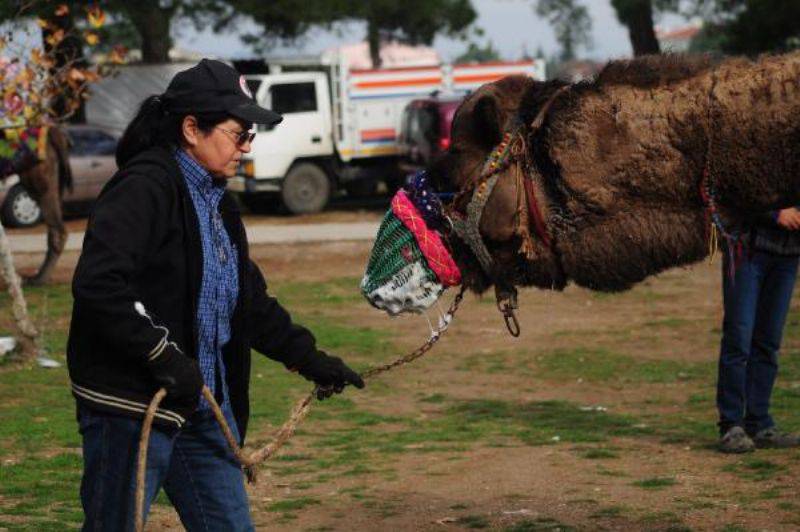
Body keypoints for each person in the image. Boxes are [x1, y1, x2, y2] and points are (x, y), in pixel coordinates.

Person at [67, 59, 365, 531]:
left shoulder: (219, 204)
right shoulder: (143, 187)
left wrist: (310, 359)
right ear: (191, 128)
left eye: (251, 137)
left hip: (204, 407)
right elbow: (98, 285)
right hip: (134, 407)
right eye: (239, 134)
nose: (246, 148)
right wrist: (162, 355)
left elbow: (249, 303)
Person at [717, 206, 800, 453]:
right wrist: (775, 214)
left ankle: (759, 422)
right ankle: (731, 425)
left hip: (788, 256)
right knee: (739, 338)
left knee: (768, 342)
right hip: (748, 251)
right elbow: (737, 187)